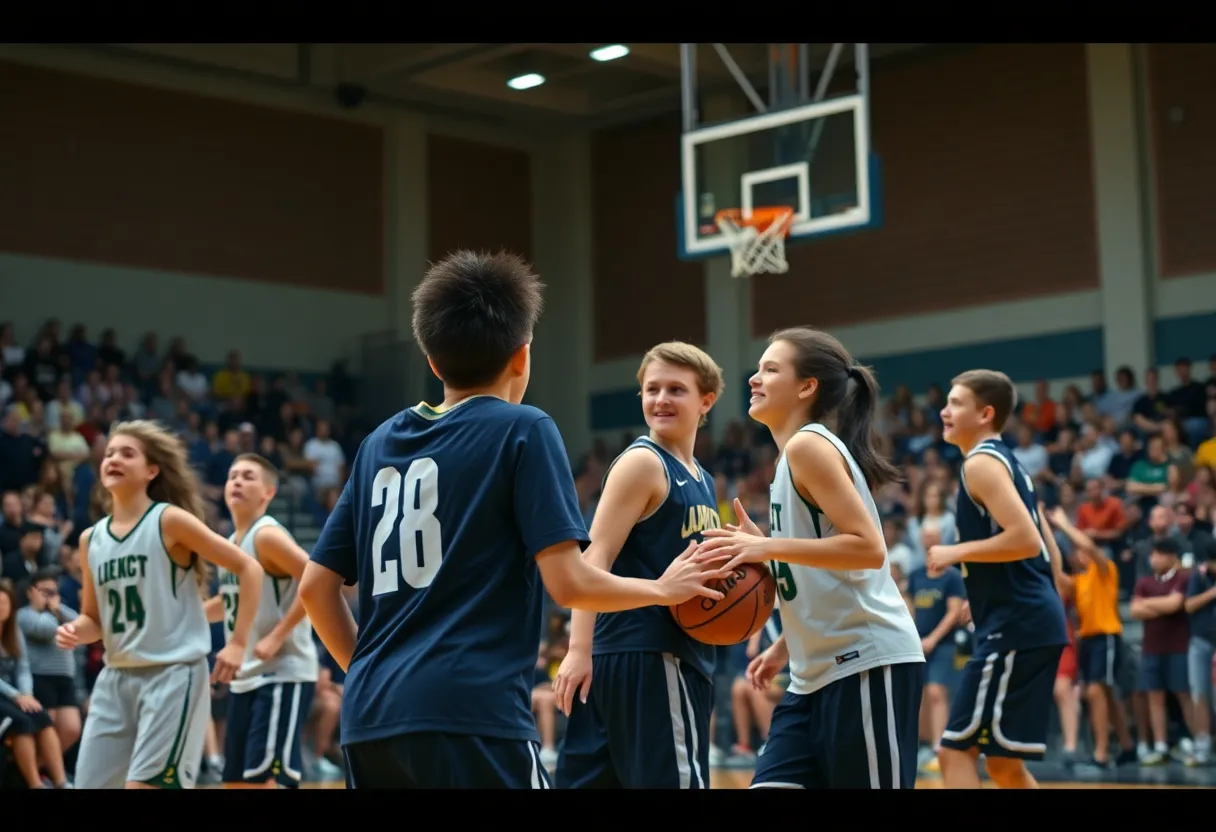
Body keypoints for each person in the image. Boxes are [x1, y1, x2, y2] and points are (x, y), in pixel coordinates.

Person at [298, 250, 728, 790]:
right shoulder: (523, 428)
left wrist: (367, 674)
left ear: (432, 361)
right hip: (472, 712)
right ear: (522, 355)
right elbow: (569, 583)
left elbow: (316, 588)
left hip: (370, 718)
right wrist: (663, 589)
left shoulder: (377, 442)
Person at [697, 327, 926, 790]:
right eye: (758, 368)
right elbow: (818, 563)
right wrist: (786, 645)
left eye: (770, 369)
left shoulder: (808, 447)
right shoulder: (789, 459)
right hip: (812, 676)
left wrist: (765, 547)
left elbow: (867, 549)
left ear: (806, 387)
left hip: (866, 662)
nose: (754, 378)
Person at [55, 420, 264, 789]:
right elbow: (93, 619)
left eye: (127, 453)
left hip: (172, 674)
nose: (114, 458)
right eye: (109, 453)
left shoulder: (169, 520)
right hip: (115, 678)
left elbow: (248, 568)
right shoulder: (91, 539)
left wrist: (236, 642)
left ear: (152, 470)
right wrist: (75, 630)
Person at [553, 341, 724, 789]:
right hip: (651, 655)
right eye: (652, 389)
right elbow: (595, 557)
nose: (661, 399)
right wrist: (578, 649)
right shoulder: (645, 463)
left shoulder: (703, 478)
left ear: (706, 400)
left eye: (676, 389)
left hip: (639, 655)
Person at [927, 370, 1068, 789]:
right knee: (1004, 764)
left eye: (955, 403)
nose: (944, 410)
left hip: (1016, 626)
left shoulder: (982, 464)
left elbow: (1024, 539)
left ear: (986, 413)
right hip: (1030, 619)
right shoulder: (1008, 463)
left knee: (954, 751)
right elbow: (1048, 546)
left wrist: (955, 552)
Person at [203, 453, 318, 789]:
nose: (237, 481)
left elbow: (315, 579)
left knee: (265, 781)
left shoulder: (266, 536)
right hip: (247, 676)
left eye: (248, 476)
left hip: (282, 672)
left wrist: (278, 635)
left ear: (268, 493)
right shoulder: (230, 544)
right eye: (232, 475)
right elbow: (229, 602)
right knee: (236, 781)